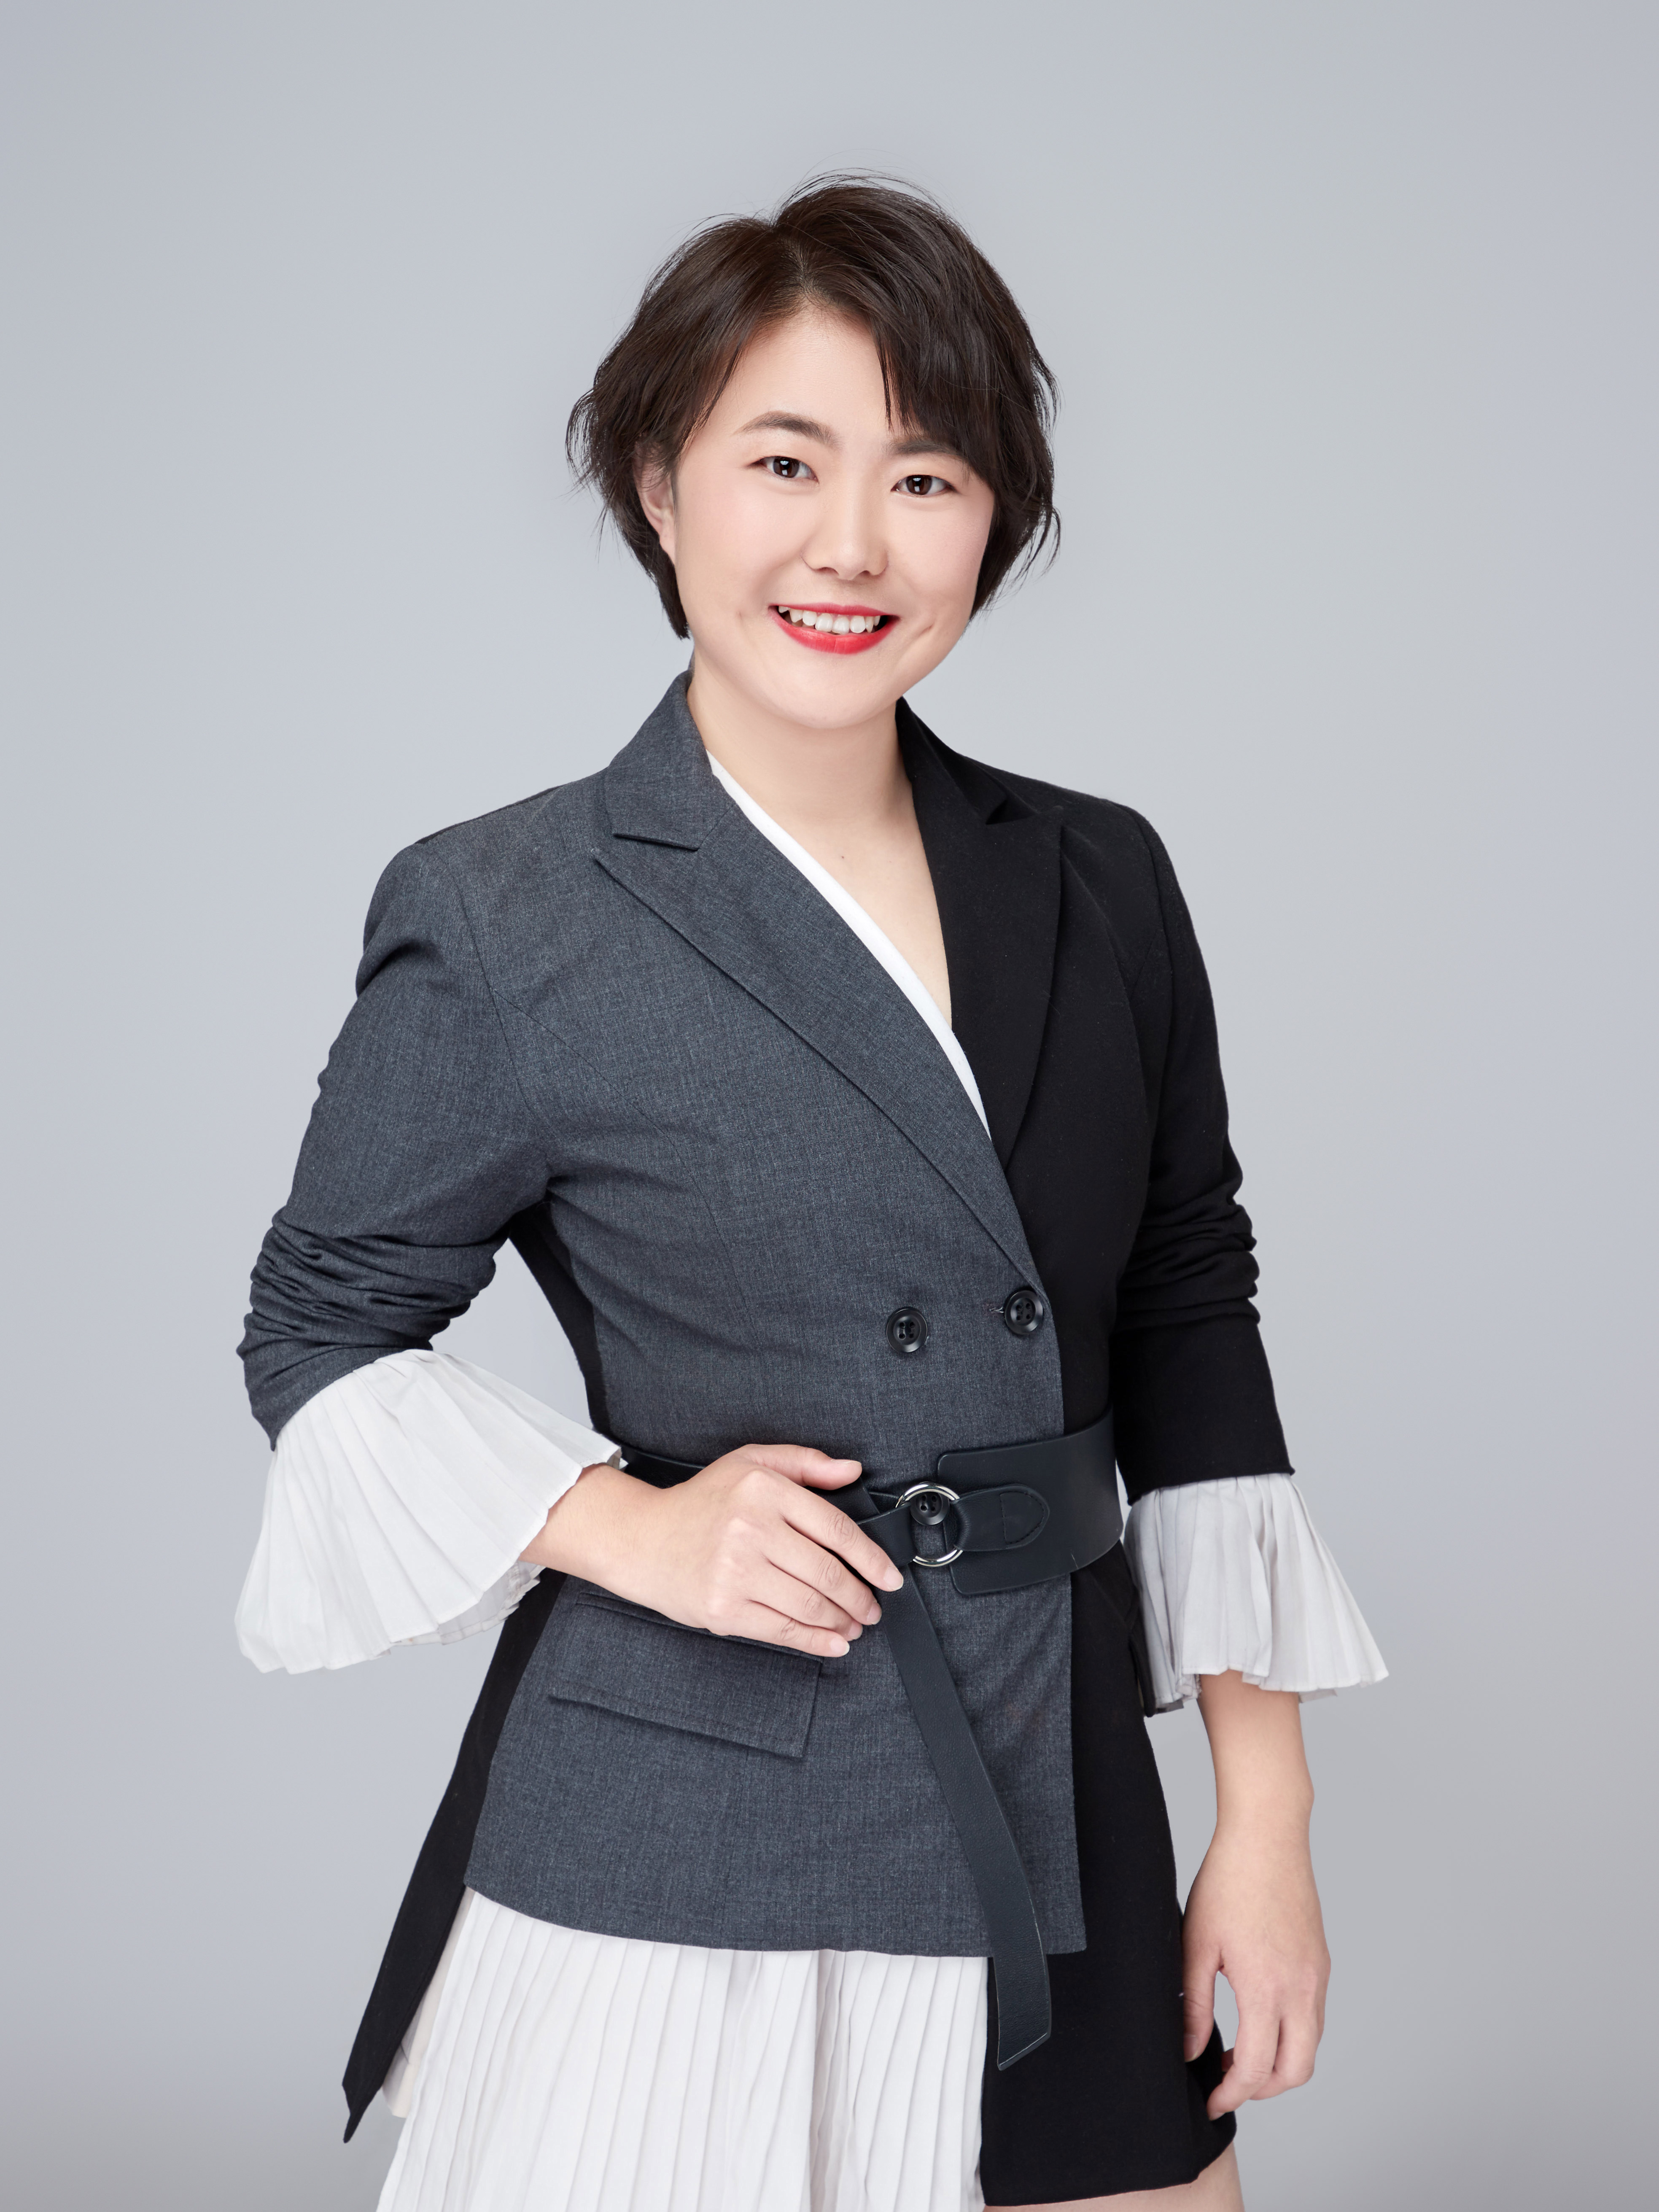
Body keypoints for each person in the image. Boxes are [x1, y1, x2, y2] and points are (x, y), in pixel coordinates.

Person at [236, 176, 1385, 2212]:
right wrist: (630, 1527)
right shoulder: (508, 910)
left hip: (1059, 1777)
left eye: (925, 476)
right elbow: (318, 1327)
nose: (853, 543)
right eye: (785, 461)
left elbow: (1188, 1307)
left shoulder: (1100, 875)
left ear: (992, 520)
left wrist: (1266, 1812)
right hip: (699, 1809)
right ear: (658, 488)